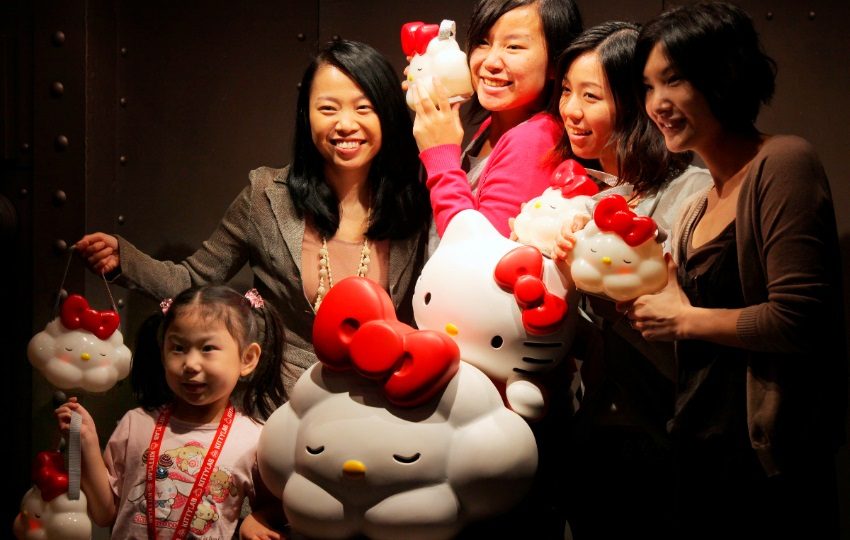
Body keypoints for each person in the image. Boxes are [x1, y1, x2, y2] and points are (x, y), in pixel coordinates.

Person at [74, 40, 431, 396]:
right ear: (307, 115)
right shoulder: (266, 196)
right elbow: (193, 279)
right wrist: (125, 261)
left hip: (382, 408)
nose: (345, 124)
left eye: (364, 107)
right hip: (281, 406)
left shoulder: (418, 201)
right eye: (328, 108)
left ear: (387, 114)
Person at [626, 2, 847, 538]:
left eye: (673, 80)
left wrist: (683, 320)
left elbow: (800, 320)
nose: (658, 104)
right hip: (696, 447)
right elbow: (688, 342)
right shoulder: (698, 204)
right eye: (649, 87)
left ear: (722, 75)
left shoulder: (783, 162)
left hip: (764, 460)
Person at [549, 21, 711, 540]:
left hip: (673, 436)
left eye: (591, 95)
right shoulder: (591, 203)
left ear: (635, 102)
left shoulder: (694, 192)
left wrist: (612, 287)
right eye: (566, 92)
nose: (571, 111)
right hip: (595, 431)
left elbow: (699, 334)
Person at [55, 284, 288, 539]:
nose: (190, 364)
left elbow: (279, 506)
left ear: (247, 359)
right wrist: (86, 441)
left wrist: (256, 520)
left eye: (208, 348)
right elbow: (104, 513)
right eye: (178, 348)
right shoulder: (136, 424)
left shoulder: (254, 439)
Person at [410, 0, 582, 246]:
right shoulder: (494, 124)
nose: (490, 62)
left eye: (513, 47)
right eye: (483, 42)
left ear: (556, 62)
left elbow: (477, 253)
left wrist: (441, 156)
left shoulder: (535, 138)